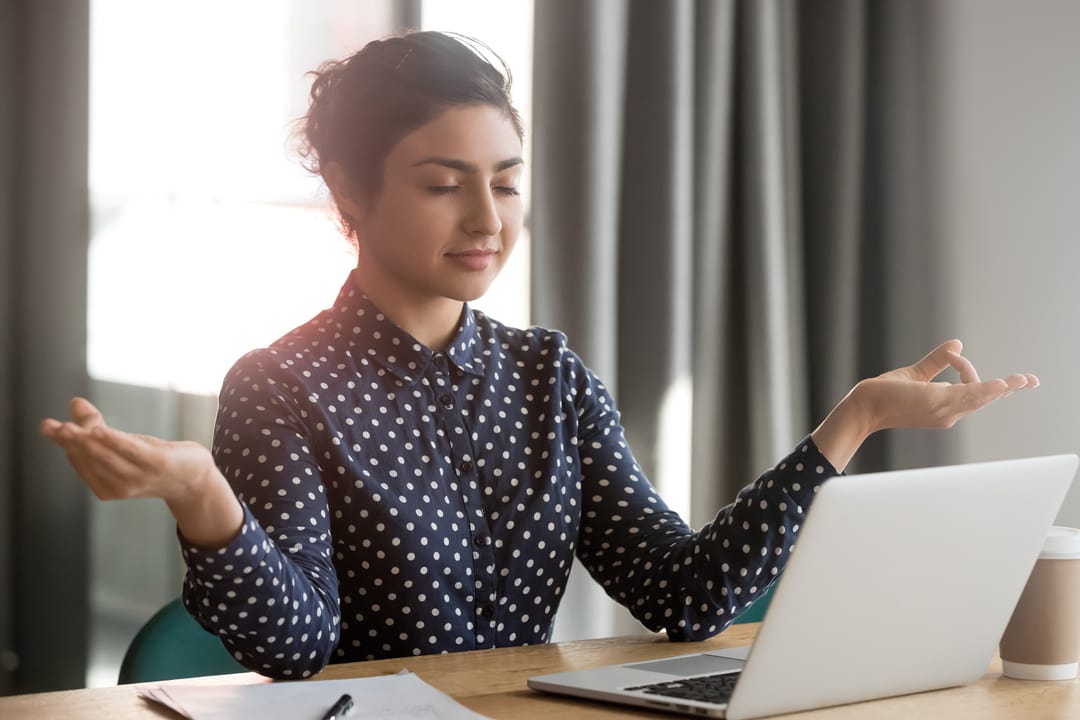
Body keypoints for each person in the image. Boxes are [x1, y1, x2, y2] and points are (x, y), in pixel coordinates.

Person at [40, 31, 1038, 680]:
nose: (487, 218)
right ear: (348, 192)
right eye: (445, 184)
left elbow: (683, 592)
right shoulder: (282, 385)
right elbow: (297, 649)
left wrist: (850, 422)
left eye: (507, 182)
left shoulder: (547, 376)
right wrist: (204, 497)